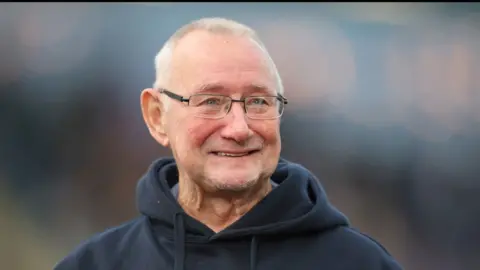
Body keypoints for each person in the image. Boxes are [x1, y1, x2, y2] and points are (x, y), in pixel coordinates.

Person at [54, 17, 403, 270]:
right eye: (210, 101)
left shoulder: (359, 263)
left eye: (258, 102)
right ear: (157, 116)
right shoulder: (98, 264)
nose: (239, 128)